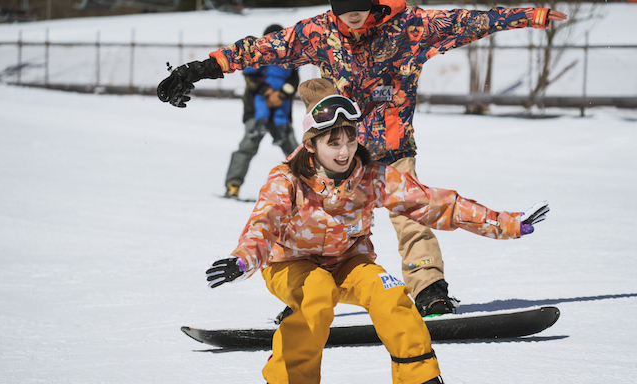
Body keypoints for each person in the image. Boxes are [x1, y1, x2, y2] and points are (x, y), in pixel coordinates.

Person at [158, 0, 567, 316]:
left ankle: (429, 290)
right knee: (307, 216)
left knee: (412, 215)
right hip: (333, 144)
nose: (351, 21)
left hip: (390, 145)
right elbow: (262, 49)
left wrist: (533, 16)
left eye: (358, 11)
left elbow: (471, 22)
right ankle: (304, 291)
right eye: (343, 13)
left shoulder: (413, 27)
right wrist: (196, 69)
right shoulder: (318, 32)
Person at [204, 78, 549, 384]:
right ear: (311, 144)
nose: (344, 151)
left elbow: (437, 204)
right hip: (290, 265)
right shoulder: (287, 180)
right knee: (317, 294)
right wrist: (242, 260)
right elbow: (264, 223)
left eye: (350, 139)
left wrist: (507, 223)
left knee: (391, 294)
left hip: (350, 263)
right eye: (333, 142)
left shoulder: (371, 176)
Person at [224, 25, 300, 198]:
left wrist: (280, 95)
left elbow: (294, 81)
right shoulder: (257, 55)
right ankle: (233, 185)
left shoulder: (291, 59)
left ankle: (310, 188)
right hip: (257, 109)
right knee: (248, 146)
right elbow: (250, 77)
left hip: (281, 110)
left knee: (293, 151)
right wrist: (267, 93)